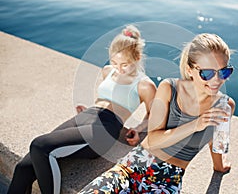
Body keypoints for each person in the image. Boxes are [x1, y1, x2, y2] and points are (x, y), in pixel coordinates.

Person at [7, 25, 157, 194]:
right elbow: (105, 99)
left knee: (40, 146)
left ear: (136, 58)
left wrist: (138, 129)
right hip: (87, 116)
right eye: (115, 62)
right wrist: (88, 111)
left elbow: (154, 114)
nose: (119, 69)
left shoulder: (145, 84)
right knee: (23, 168)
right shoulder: (107, 71)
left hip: (106, 129)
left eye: (125, 64)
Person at [79, 33, 235, 193]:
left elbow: (216, 140)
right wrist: (196, 124)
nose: (216, 80)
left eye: (223, 72)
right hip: (135, 166)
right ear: (190, 70)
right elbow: (153, 139)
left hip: (168, 181)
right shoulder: (169, 88)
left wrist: (219, 166)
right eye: (207, 73)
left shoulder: (225, 105)